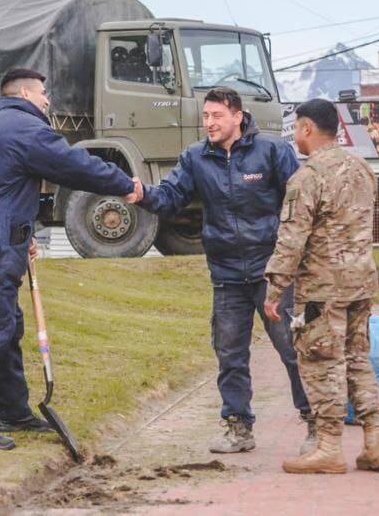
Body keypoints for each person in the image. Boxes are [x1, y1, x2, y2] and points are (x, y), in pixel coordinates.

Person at [0, 68, 137, 450]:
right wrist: (125, 185)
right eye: (42, 94)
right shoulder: (26, 129)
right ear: (22, 93)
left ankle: (14, 410)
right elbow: (75, 165)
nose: (47, 100)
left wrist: (21, 234)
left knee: (7, 322)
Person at [133, 86, 313, 454]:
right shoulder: (196, 158)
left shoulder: (273, 151)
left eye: (216, 116)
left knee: (292, 349)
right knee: (230, 354)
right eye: (205, 116)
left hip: (272, 273)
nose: (209, 123)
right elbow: (169, 197)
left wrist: (295, 260)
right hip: (227, 274)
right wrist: (141, 194)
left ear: (237, 115)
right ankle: (238, 428)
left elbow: (300, 204)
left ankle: (316, 424)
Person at [263, 98, 379, 474]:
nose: (295, 137)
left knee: (322, 362)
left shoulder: (308, 177)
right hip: (362, 282)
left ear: (306, 128)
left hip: (323, 287)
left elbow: (292, 238)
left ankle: (329, 447)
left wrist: (275, 289)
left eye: (297, 129)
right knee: (358, 360)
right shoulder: (362, 168)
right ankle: (374, 441)